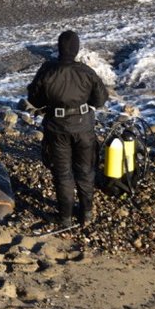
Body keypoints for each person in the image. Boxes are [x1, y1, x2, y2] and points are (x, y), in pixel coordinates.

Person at [26, 30, 108, 229]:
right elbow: (100, 101)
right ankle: (86, 214)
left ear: (59, 48)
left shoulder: (47, 69)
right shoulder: (86, 71)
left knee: (62, 173)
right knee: (86, 171)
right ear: (77, 49)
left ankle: (65, 218)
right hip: (83, 127)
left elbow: (34, 99)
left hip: (57, 127)